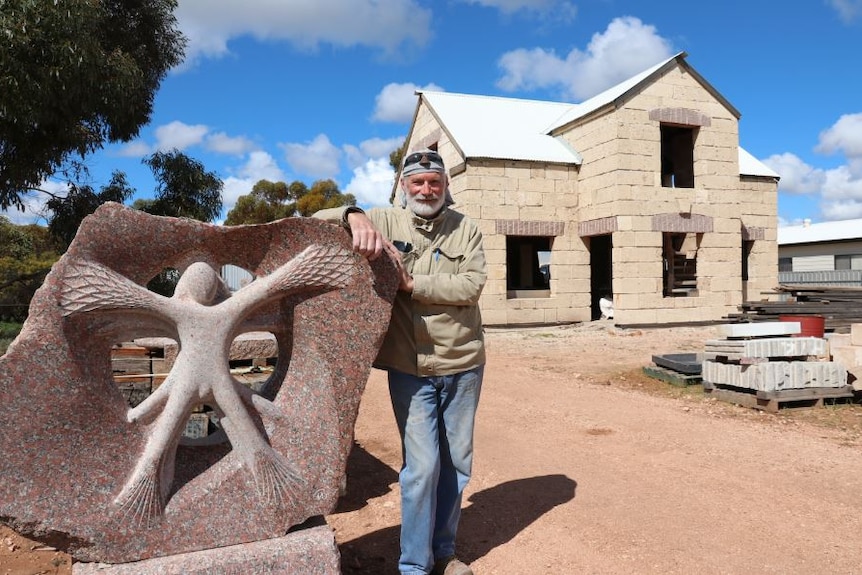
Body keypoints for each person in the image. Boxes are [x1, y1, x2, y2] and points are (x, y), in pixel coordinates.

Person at [315, 149, 486, 575]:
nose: (427, 190)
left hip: (463, 363)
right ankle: (414, 566)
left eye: (435, 182)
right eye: (418, 182)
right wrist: (352, 214)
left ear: (446, 187)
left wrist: (411, 282)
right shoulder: (385, 220)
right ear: (403, 187)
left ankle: (443, 551)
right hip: (411, 371)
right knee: (422, 468)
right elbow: (317, 220)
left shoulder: (466, 230)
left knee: (456, 464)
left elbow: (471, 284)